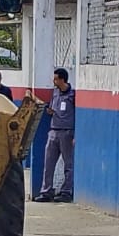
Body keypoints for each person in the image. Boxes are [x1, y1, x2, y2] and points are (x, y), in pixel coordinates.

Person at [35, 67, 76, 203]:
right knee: (48, 162)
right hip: (53, 130)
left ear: (62, 79)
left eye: (56, 78)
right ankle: (46, 191)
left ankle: (66, 191)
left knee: (68, 164)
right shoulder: (55, 93)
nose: (54, 81)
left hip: (66, 131)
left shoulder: (72, 95)